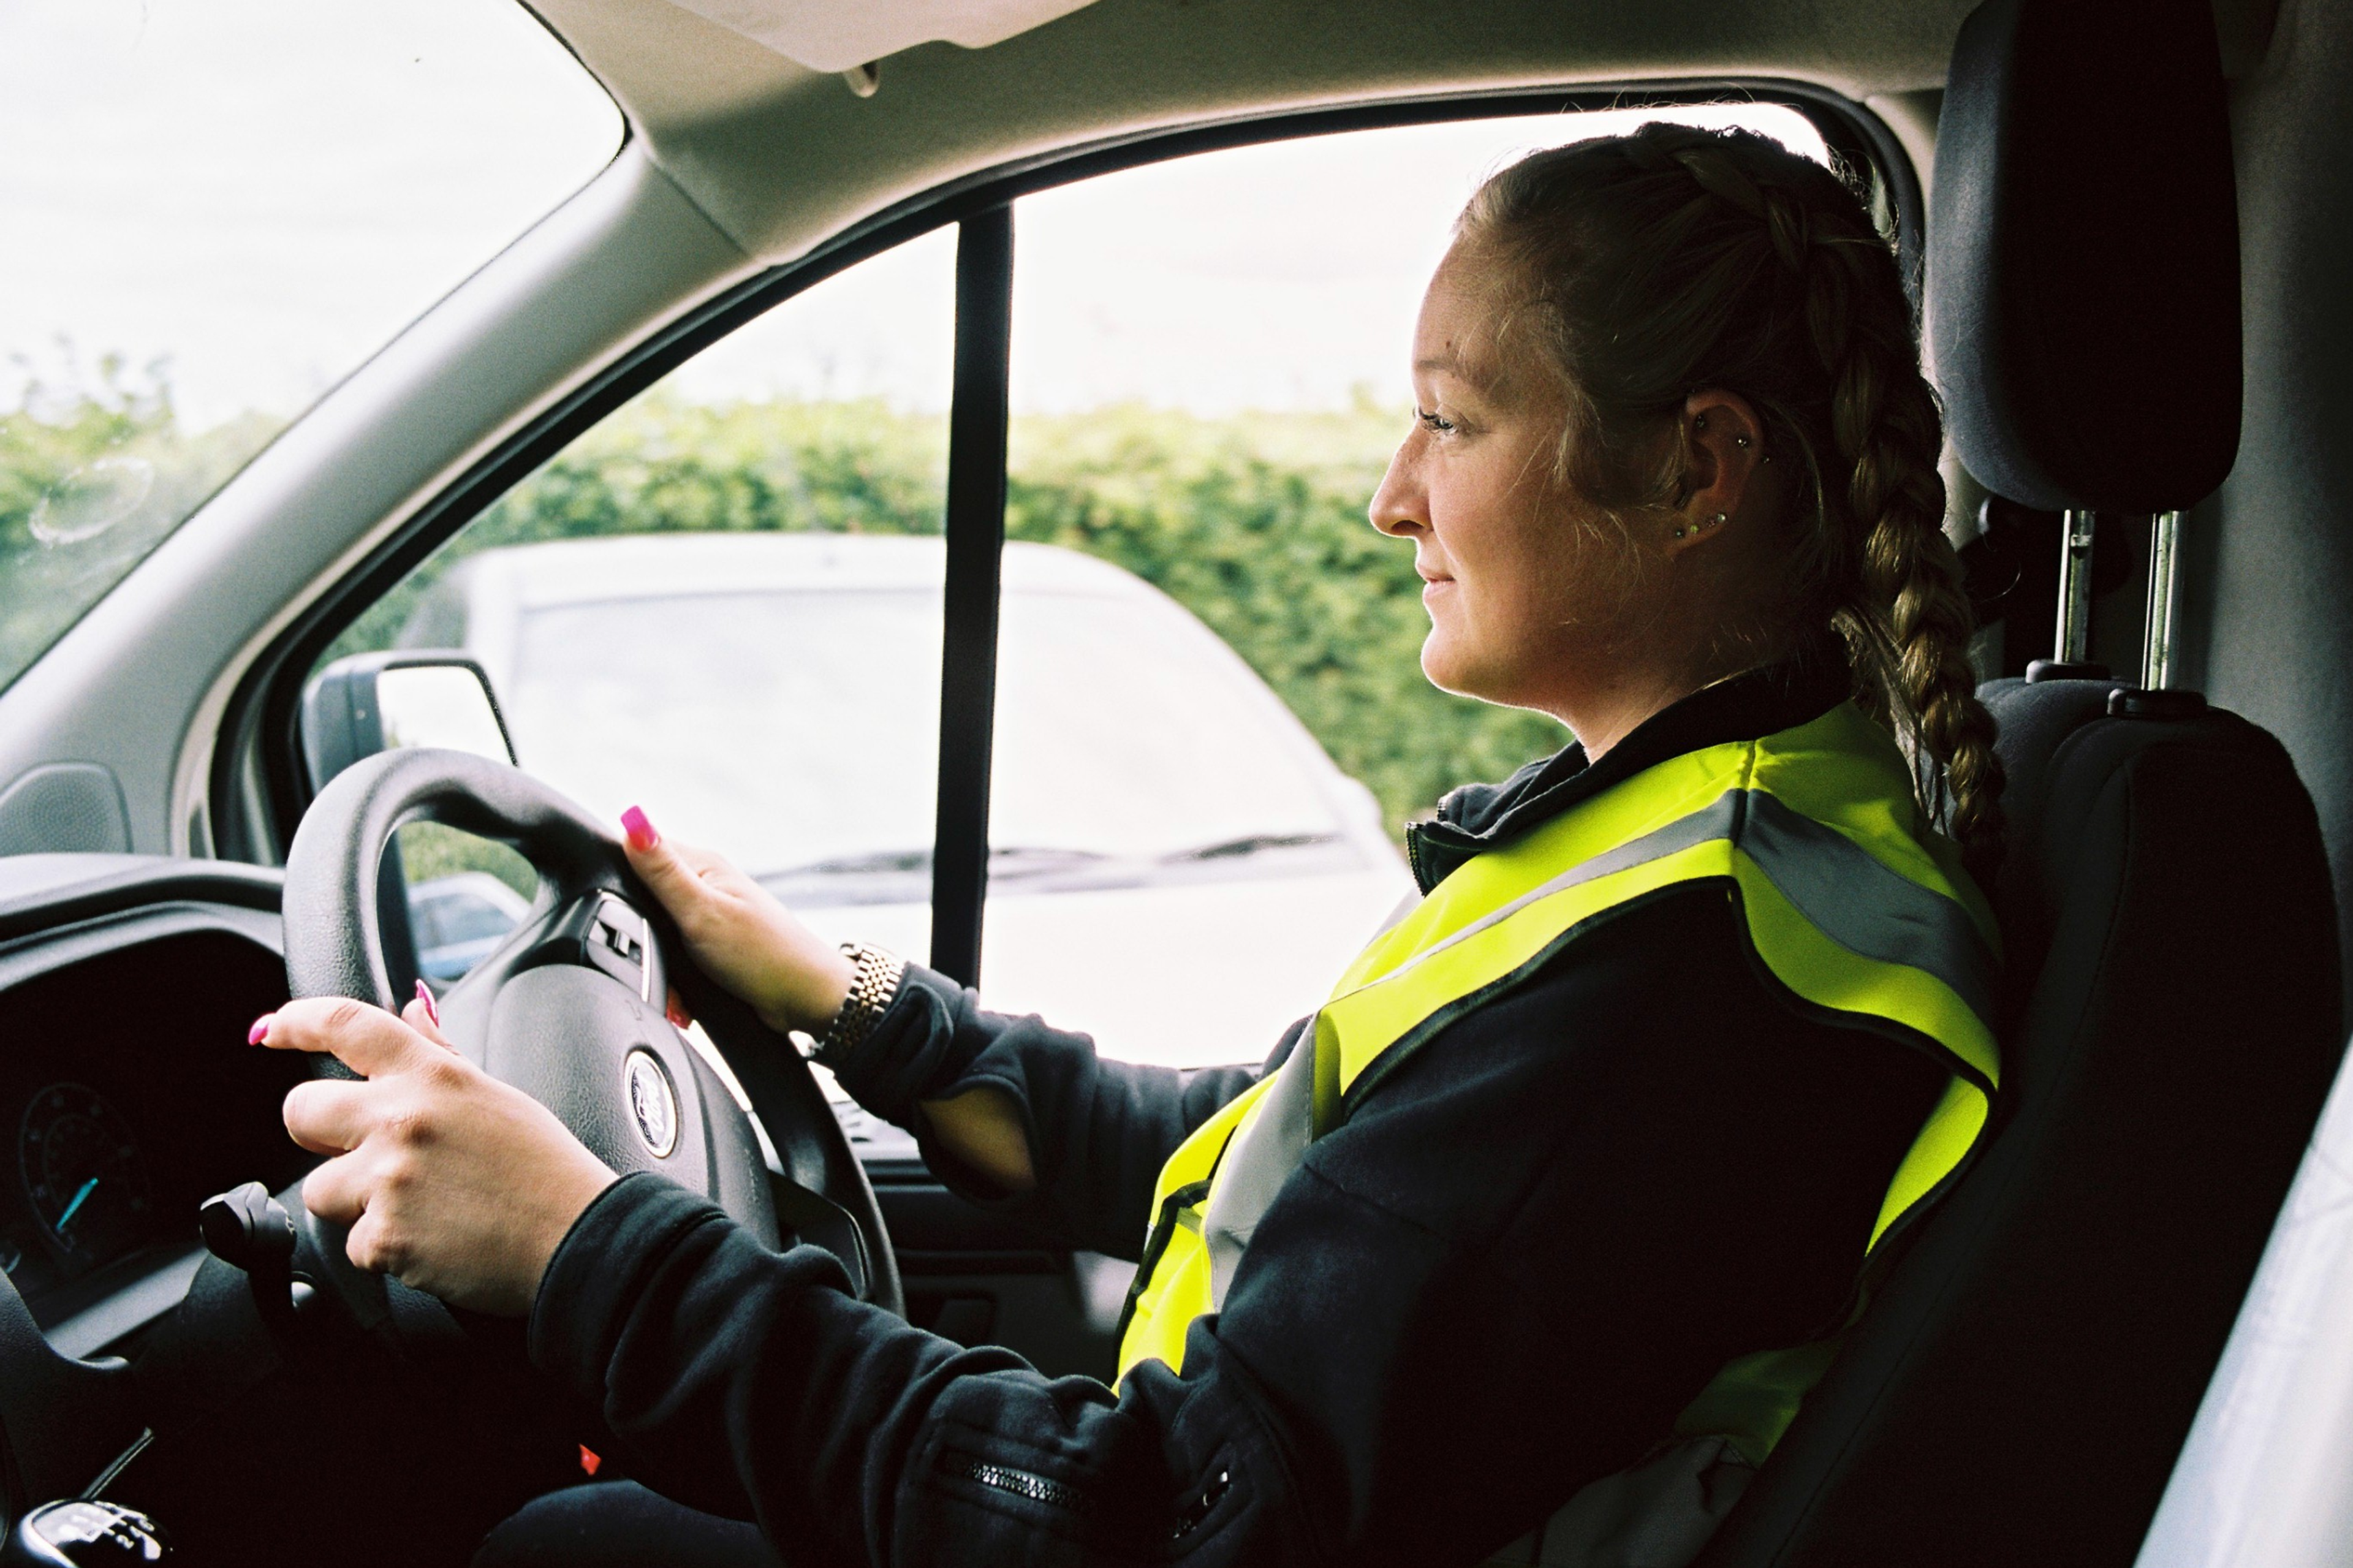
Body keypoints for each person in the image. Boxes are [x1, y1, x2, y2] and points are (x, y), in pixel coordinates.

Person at [252, 122, 2004, 1568]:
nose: (1392, 492)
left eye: (1452, 419)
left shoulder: (1693, 978)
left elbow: (1156, 1517)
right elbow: (1245, 1155)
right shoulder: (1697, 838)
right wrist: (855, 999)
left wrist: (585, 1244)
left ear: (1700, 468)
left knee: (562, 1554)